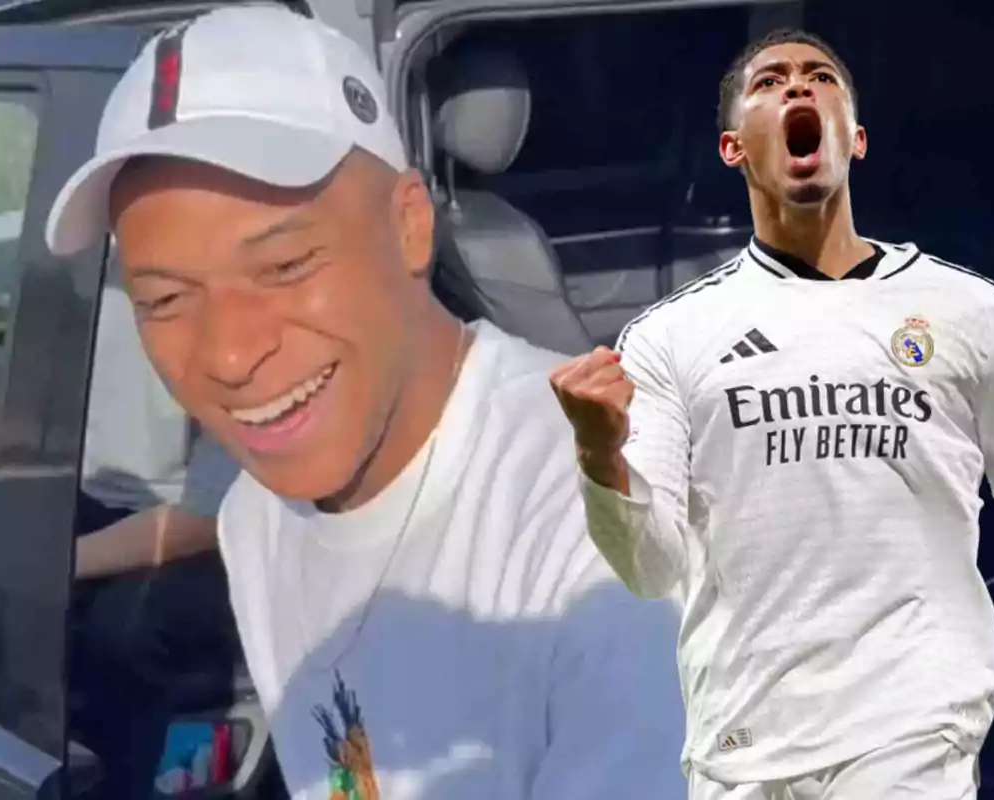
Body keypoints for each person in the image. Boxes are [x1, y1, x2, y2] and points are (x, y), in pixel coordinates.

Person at [46, 5, 685, 799]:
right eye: (168, 299)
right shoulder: (259, 520)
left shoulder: (611, 528)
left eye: (284, 265)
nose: (232, 354)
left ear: (411, 226)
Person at [549, 28, 994, 800]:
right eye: (771, 82)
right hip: (741, 751)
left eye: (819, 77)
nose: (797, 88)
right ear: (734, 149)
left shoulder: (968, 313)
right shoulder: (669, 339)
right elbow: (651, 565)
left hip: (910, 735)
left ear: (853, 139)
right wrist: (600, 455)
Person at [71, 260, 240, 799]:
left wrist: (54, 562)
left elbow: (207, 518)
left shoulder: (223, 301)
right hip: (94, 492)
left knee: (121, 629)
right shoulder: (76, 254)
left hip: (201, 525)